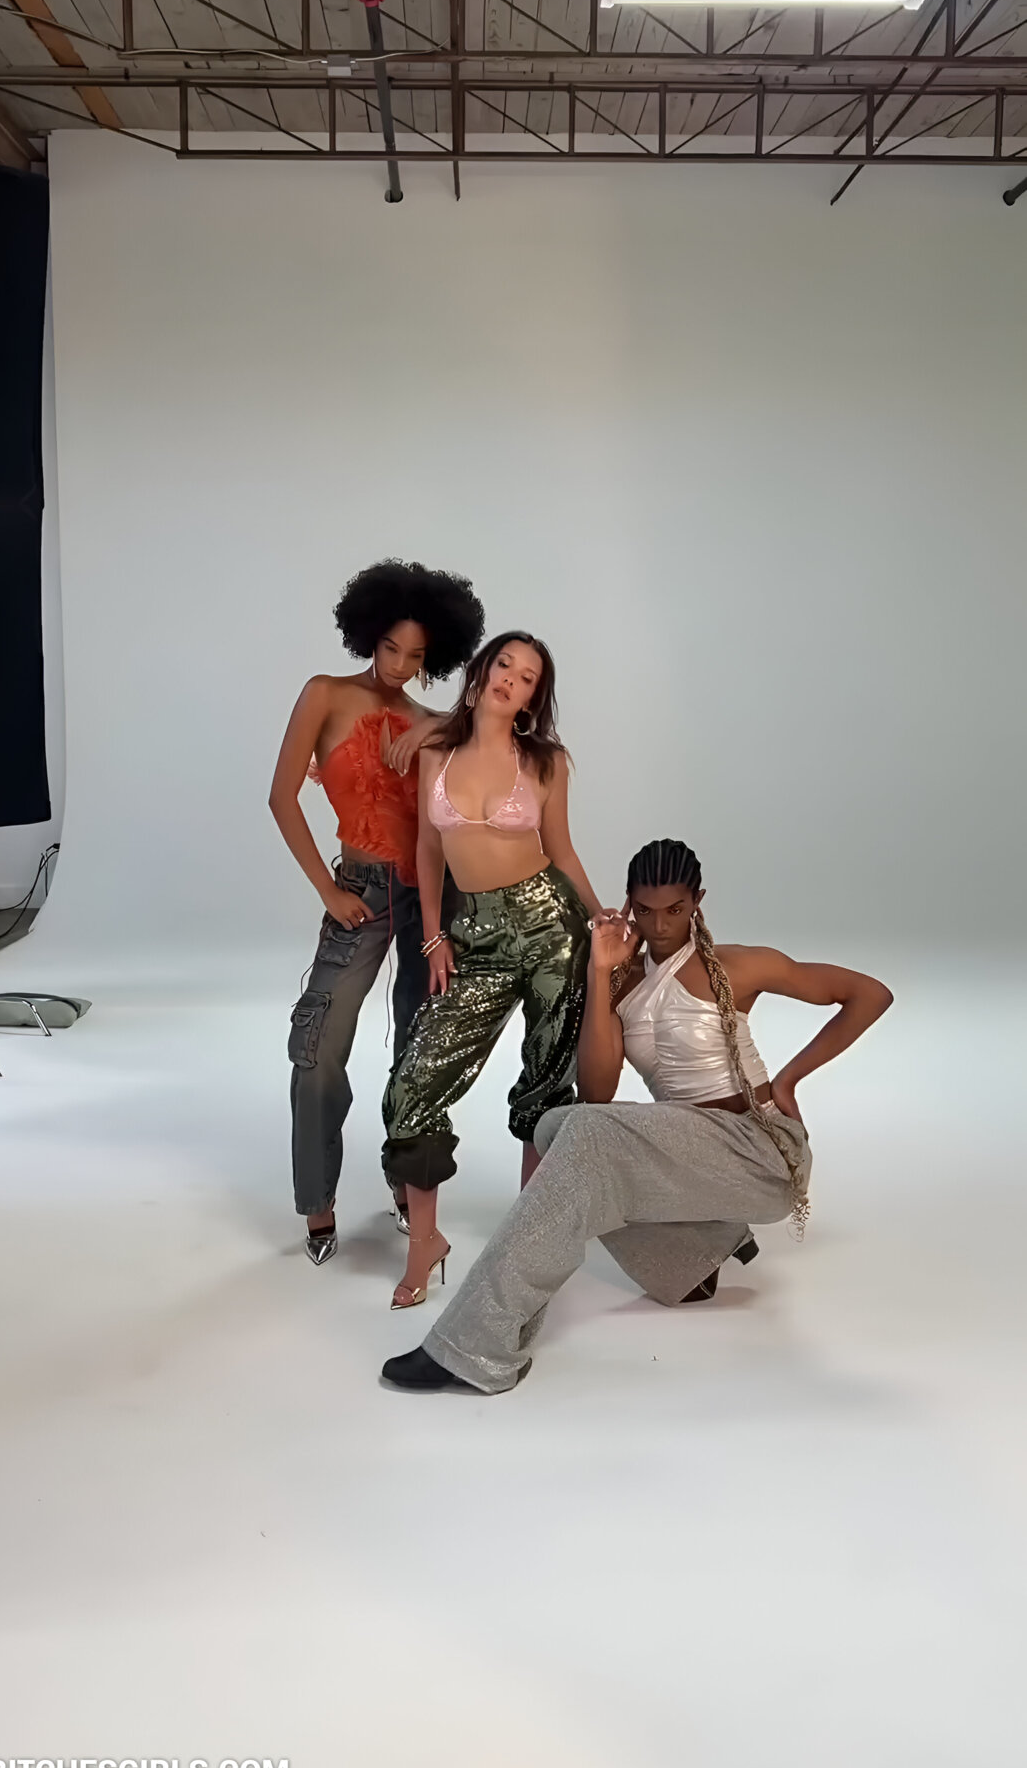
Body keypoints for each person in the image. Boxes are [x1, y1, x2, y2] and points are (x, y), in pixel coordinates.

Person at [381, 836, 893, 1391]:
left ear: (697, 901)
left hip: (760, 1150)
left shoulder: (738, 965)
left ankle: (475, 1345)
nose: (661, 925)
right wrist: (601, 974)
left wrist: (789, 1079)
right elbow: (597, 1092)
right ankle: (692, 1259)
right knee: (556, 1127)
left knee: (584, 1135)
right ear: (628, 904)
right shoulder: (623, 981)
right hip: (693, 1155)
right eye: (645, 911)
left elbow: (869, 994)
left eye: (675, 909)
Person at [381, 631, 609, 1310]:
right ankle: (425, 1242)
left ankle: (528, 1244)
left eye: (528, 677)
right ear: (481, 671)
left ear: (533, 699)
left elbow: (561, 850)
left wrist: (600, 918)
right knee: (413, 1086)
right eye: (503, 664)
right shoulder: (436, 753)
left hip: (550, 928)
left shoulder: (544, 761)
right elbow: (428, 850)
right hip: (471, 934)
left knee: (546, 1081)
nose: (511, 678)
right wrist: (432, 937)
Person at [269, 560, 484, 1266]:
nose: (398, 665)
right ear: (368, 635)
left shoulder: (432, 721)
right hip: (359, 888)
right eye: (390, 647)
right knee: (318, 1043)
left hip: (433, 895)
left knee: (419, 1050)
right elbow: (281, 797)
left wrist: (436, 730)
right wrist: (327, 892)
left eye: (415, 656)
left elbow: (497, 738)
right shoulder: (325, 694)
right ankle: (317, 1201)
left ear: (433, 658)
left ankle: (407, 1182)